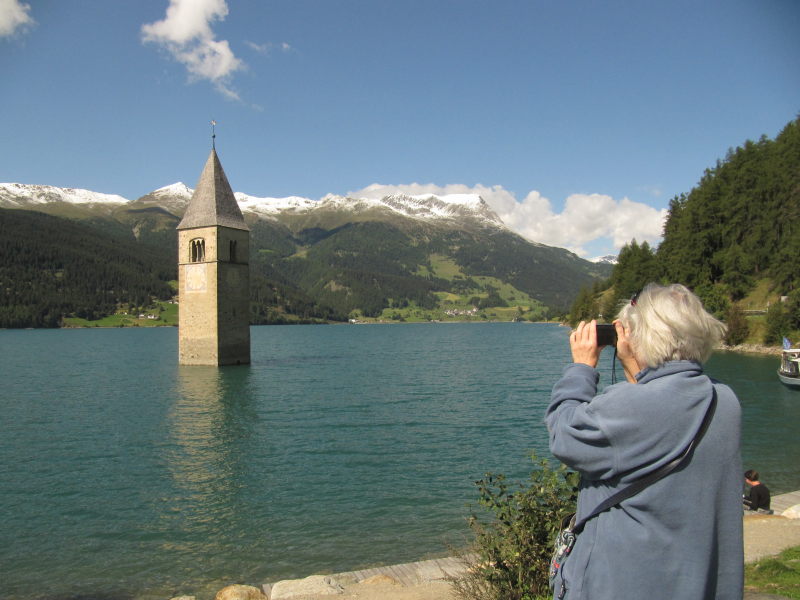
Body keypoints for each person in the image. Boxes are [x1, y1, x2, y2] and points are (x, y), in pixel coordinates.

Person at [545, 283, 743, 599]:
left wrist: (581, 368)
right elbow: (661, 409)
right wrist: (636, 367)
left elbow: (564, 434)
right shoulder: (724, 400)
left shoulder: (630, 407)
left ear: (640, 338)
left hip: (624, 584)